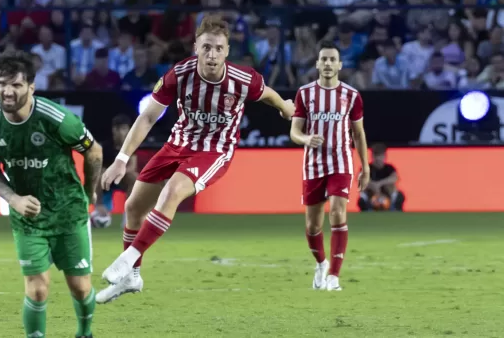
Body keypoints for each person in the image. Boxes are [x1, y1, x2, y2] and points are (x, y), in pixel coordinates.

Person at [96, 15, 296, 304]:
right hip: (178, 142)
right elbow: (149, 116)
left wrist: (285, 108)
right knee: (133, 206)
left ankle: (128, 258)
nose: (211, 55)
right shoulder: (179, 74)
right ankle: (132, 277)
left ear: (227, 51)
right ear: (195, 48)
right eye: (206, 48)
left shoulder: (243, 79)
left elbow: (268, 95)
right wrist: (122, 159)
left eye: (218, 48)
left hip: (215, 150)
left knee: (173, 191)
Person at [0, 51, 102, 338]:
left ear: (31, 87)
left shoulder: (56, 119)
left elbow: (94, 151)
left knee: (80, 287)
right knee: (37, 288)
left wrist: (89, 191)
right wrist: (15, 200)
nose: (8, 91)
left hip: (68, 211)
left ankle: (85, 332)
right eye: (2, 84)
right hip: (28, 219)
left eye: (16, 85)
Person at [290, 40, 370, 292]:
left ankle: (334, 276)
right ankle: (321, 263)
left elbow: (358, 133)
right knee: (313, 225)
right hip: (313, 164)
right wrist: (306, 139)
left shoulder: (351, 95)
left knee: (337, 211)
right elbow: (294, 131)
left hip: (341, 162)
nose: (327, 63)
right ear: (317, 64)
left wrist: (365, 166)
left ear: (339, 64)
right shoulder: (305, 93)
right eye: (323, 59)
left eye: (332, 59)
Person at [92, 114, 138, 228]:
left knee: (134, 177)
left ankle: (129, 213)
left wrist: (119, 171)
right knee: (98, 174)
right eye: (118, 129)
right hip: (105, 181)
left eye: (124, 128)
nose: (121, 132)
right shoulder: (104, 147)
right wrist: (110, 172)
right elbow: (97, 167)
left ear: (128, 130)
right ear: (113, 130)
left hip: (122, 179)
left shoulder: (131, 146)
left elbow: (132, 166)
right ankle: (99, 206)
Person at [358, 143, 405, 211]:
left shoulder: (389, 168)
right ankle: (367, 208)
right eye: (376, 155)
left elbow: (394, 178)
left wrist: (380, 184)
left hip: (387, 194)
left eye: (380, 156)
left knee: (395, 190)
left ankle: (394, 208)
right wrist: (372, 185)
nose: (378, 158)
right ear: (372, 156)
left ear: (384, 156)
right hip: (371, 194)